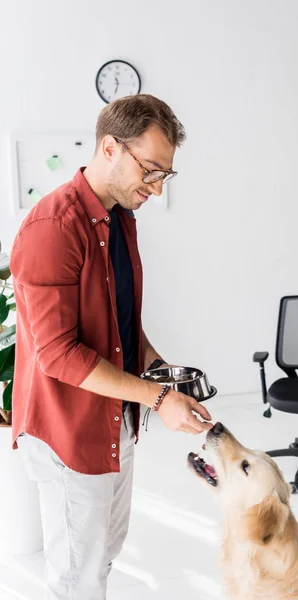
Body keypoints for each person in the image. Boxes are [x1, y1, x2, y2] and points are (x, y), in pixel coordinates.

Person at [10, 94, 213, 600]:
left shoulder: (119, 219)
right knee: (77, 575)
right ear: (109, 148)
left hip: (113, 419)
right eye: (150, 170)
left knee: (102, 555)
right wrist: (159, 400)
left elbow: (122, 325)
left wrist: (161, 370)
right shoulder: (52, 229)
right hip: (68, 431)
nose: (156, 187)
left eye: (165, 175)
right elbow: (58, 354)